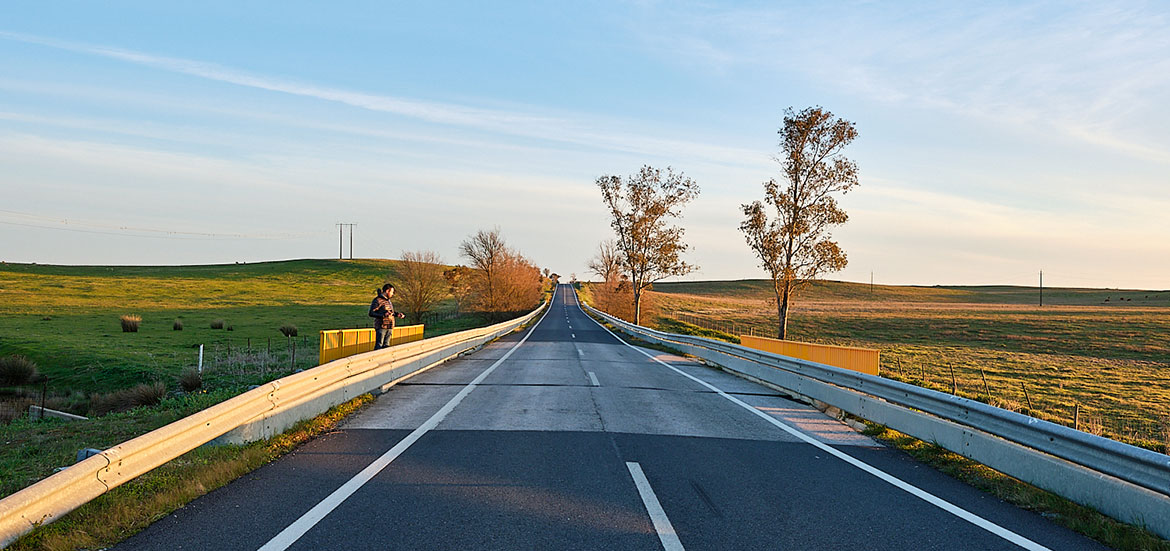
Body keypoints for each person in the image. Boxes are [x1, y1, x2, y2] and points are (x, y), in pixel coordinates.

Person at [369, 284, 405, 349]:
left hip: (390, 326)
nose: (392, 294)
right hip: (381, 326)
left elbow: (391, 312)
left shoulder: (388, 301)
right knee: (379, 345)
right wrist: (383, 315)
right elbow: (371, 313)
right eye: (392, 292)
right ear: (387, 291)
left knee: (386, 346)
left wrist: (397, 314)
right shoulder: (377, 300)